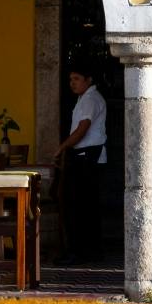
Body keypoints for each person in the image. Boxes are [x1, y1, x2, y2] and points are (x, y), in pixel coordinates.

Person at [52, 69, 106, 261]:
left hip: (87, 156)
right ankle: (84, 250)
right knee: (82, 205)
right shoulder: (84, 98)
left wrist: (62, 147)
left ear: (88, 79)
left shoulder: (91, 99)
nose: (72, 83)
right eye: (70, 79)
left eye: (76, 78)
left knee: (80, 205)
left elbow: (82, 129)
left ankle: (80, 251)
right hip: (83, 155)